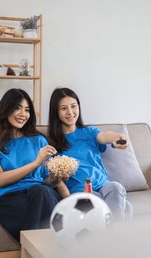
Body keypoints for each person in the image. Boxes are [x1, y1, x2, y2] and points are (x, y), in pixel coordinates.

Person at [0, 88, 64, 241]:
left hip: (40, 195)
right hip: (6, 199)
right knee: (44, 202)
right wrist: (35, 163)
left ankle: (34, 252)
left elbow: (47, 180)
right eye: (17, 108)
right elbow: (0, 179)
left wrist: (57, 178)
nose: (23, 114)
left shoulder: (39, 141)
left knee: (42, 192)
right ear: (6, 109)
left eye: (27, 110)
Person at [48, 87, 133, 222]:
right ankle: (116, 237)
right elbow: (55, 179)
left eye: (73, 106)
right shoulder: (51, 143)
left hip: (105, 187)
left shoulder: (89, 131)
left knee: (116, 186)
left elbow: (104, 136)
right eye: (63, 108)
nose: (70, 112)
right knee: (126, 207)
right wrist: (67, 199)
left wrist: (118, 137)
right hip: (81, 191)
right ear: (56, 112)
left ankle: (111, 237)